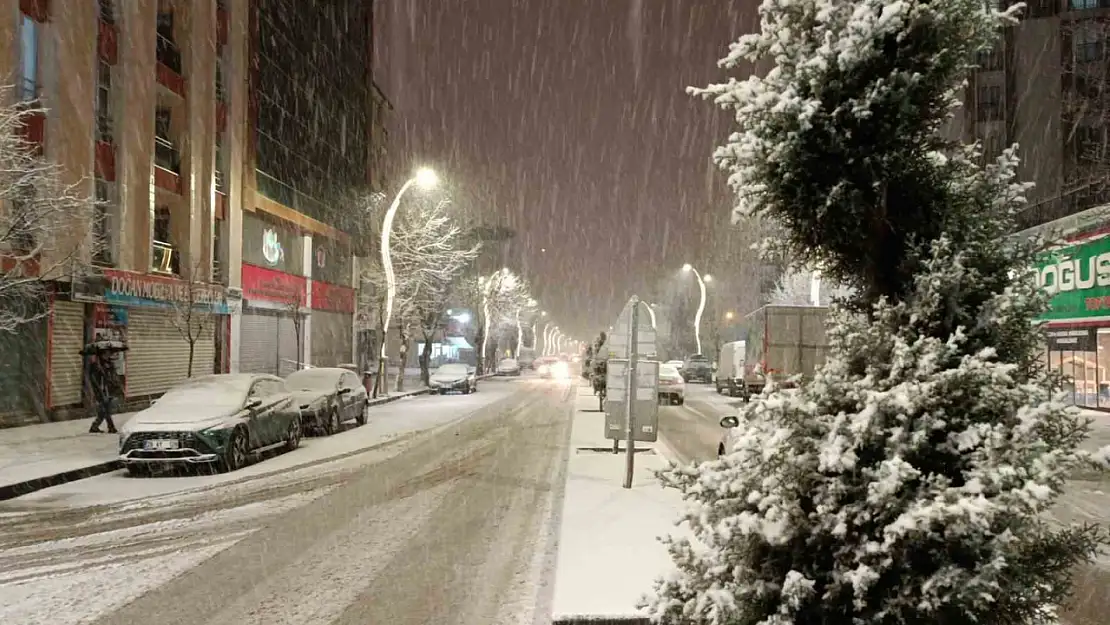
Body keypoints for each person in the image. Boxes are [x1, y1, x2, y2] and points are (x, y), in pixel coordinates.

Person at [86, 351, 120, 433]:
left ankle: (94, 426)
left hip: (109, 389)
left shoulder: (108, 364)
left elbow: (112, 376)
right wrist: (97, 391)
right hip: (100, 391)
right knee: (106, 410)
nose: (107, 355)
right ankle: (111, 427)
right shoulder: (95, 365)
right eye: (105, 354)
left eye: (108, 353)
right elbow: (94, 380)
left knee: (103, 411)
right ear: (101, 354)